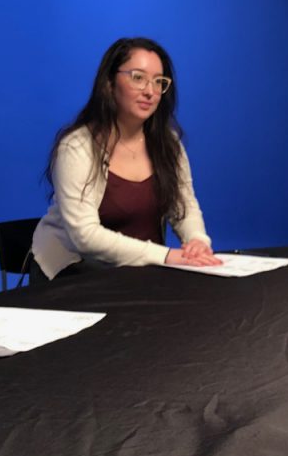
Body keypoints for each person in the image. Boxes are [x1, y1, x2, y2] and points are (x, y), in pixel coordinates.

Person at [31, 37, 220, 280]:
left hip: (140, 272)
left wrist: (197, 241)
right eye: (138, 77)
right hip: (76, 270)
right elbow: (85, 236)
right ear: (109, 83)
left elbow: (185, 207)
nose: (150, 91)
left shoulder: (169, 144)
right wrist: (165, 256)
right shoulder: (76, 147)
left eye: (158, 82)